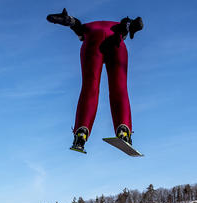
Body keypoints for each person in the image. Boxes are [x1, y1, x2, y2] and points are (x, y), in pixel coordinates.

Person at [47, 8, 143, 153]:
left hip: (92, 39)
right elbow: (124, 24)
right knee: (119, 87)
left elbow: (75, 24)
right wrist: (130, 26)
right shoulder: (117, 26)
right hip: (116, 37)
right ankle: (123, 130)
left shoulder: (86, 29)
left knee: (89, 87)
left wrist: (67, 20)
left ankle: (81, 134)